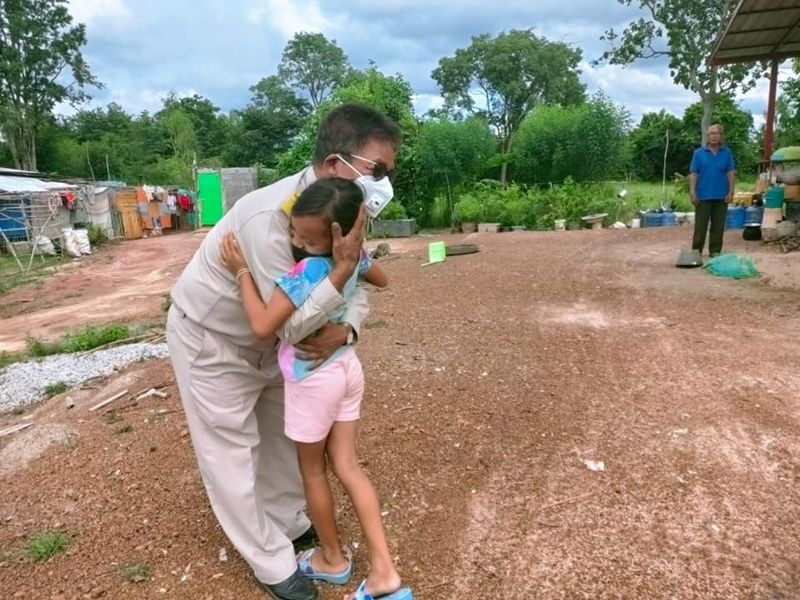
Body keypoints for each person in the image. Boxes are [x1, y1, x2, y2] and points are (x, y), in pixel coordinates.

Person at [166, 103, 401, 600]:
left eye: (387, 173)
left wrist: (348, 331)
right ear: (336, 163)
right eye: (377, 170)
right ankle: (270, 560)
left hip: (280, 346)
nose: (383, 183)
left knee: (281, 438)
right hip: (216, 337)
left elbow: (359, 286)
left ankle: (288, 522)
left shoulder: (345, 210)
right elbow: (291, 324)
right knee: (230, 448)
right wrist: (339, 278)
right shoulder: (273, 220)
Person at [219, 177, 412, 600]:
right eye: (293, 233)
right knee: (348, 466)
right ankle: (384, 570)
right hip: (346, 369)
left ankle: (332, 559)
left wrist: (242, 272)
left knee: (312, 470)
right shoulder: (353, 257)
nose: (296, 243)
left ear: (335, 237)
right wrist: (355, 255)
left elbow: (263, 326)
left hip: (312, 380)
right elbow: (382, 280)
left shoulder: (306, 272)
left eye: (308, 240)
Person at [689, 123, 736, 257]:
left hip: (721, 196)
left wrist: (730, 191)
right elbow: (694, 174)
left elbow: (730, 173)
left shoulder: (727, 153)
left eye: (716, 133)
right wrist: (692, 192)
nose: (713, 136)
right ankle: (696, 252)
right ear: (707, 136)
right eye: (711, 134)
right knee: (700, 226)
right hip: (702, 196)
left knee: (718, 226)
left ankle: (715, 252)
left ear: (721, 136)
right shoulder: (698, 153)